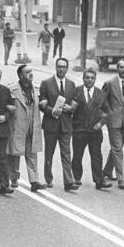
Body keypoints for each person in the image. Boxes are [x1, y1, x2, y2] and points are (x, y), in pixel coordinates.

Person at [39, 57, 79, 191]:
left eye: (64, 67)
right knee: (49, 153)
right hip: (51, 124)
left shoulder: (71, 84)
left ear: (67, 69)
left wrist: (71, 108)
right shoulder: (46, 83)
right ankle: (48, 178)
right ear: (56, 67)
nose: (61, 69)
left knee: (66, 154)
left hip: (65, 125)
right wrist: (51, 111)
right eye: (59, 66)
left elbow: (74, 101)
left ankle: (68, 181)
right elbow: (42, 104)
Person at [70, 69, 113, 190]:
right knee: (77, 155)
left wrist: (101, 123)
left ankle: (99, 180)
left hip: (95, 131)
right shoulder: (76, 91)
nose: (89, 80)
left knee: (96, 156)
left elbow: (106, 112)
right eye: (87, 77)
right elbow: (71, 109)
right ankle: (76, 178)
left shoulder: (101, 94)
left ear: (95, 79)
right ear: (83, 78)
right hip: (79, 129)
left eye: (92, 78)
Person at [6, 65, 47, 192]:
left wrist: (43, 102)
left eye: (31, 71)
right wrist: (8, 107)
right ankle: (13, 178)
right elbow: (4, 103)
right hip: (18, 125)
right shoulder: (11, 89)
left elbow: (41, 102)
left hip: (32, 126)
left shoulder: (36, 88)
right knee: (15, 153)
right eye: (27, 72)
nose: (31, 74)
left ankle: (34, 181)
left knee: (32, 154)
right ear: (20, 75)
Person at [101, 59, 124, 189]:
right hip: (113, 121)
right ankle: (120, 178)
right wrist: (109, 113)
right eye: (121, 67)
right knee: (118, 149)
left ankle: (106, 171)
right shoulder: (109, 83)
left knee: (117, 148)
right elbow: (102, 100)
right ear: (117, 68)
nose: (123, 70)